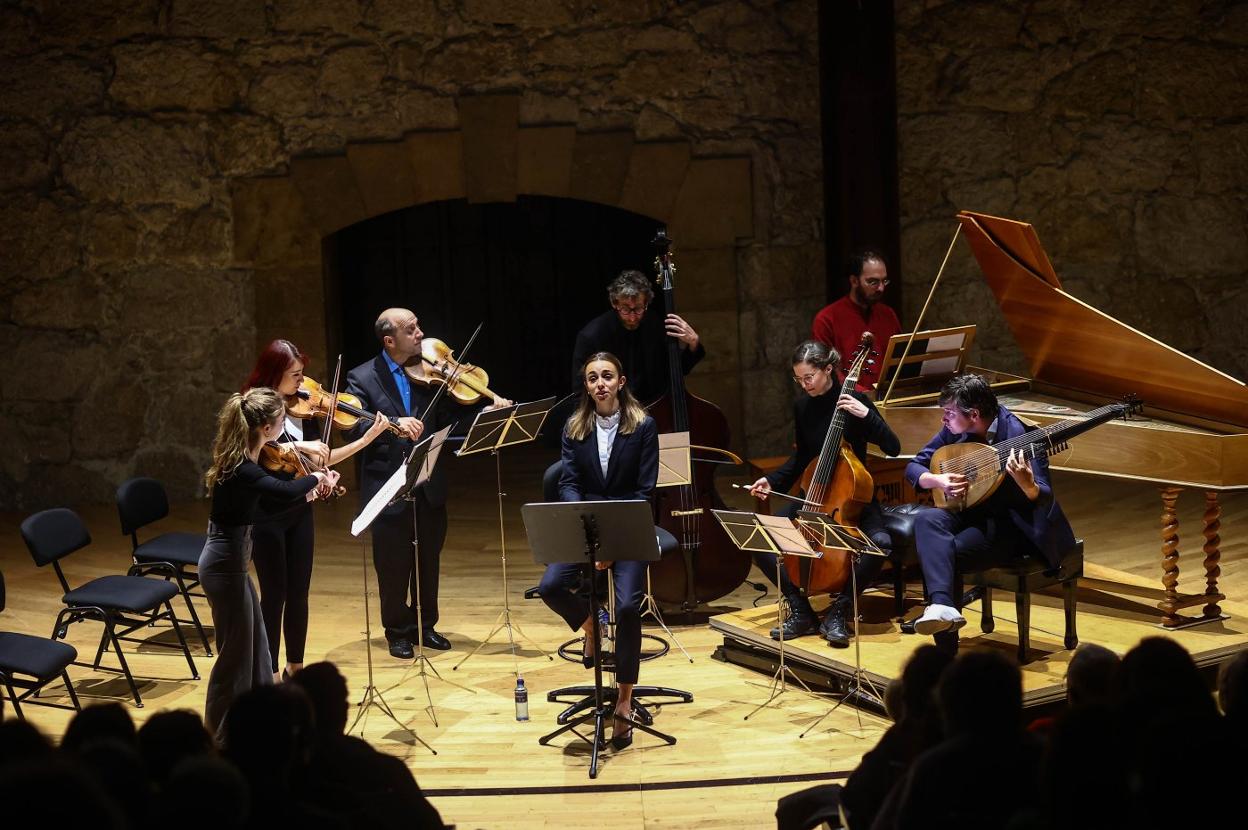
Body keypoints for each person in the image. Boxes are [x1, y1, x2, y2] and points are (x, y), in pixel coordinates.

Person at [345, 308, 509, 658]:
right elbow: (355, 425)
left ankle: (425, 625)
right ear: (390, 340)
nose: (420, 334)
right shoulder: (362, 377)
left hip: (428, 480)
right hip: (388, 484)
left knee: (427, 558)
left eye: (418, 325)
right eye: (410, 329)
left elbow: (451, 418)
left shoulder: (428, 372)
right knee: (392, 562)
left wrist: (485, 413)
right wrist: (392, 422)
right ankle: (397, 630)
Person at [243, 339, 389, 682]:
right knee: (274, 594)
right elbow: (262, 453)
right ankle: (269, 672)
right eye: (295, 375)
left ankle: (296, 667)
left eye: (302, 373)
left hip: (298, 510)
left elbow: (315, 459)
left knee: (298, 592)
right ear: (275, 374)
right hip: (267, 514)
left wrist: (365, 441)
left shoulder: (302, 407)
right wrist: (303, 456)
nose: (301, 382)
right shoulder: (252, 409)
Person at [199, 388, 338, 736]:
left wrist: (310, 488)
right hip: (223, 565)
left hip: (233, 561)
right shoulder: (242, 467)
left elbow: (277, 498)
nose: (285, 425)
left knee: (259, 647)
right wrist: (317, 478)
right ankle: (218, 732)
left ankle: (260, 721)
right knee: (234, 654)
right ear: (265, 426)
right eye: (281, 420)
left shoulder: (252, 455)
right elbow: (282, 490)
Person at [538, 351, 659, 750]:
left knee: (627, 608)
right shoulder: (574, 427)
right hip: (586, 525)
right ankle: (592, 623)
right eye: (592, 378)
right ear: (587, 386)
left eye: (607, 376)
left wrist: (613, 541)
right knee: (551, 586)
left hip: (627, 525)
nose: (600, 383)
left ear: (620, 382)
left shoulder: (644, 426)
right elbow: (568, 483)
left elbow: (644, 490)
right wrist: (589, 530)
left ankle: (624, 701)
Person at [904, 373, 1075, 648]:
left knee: (945, 554)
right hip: (970, 511)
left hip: (1010, 523)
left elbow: (1043, 495)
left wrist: (1026, 483)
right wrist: (937, 480)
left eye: (948, 413)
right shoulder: (954, 428)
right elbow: (914, 467)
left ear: (973, 414)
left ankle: (945, 643)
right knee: (927, 518)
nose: (943, 420)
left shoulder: (1022, 435)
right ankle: (941, 608)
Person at [747, 340, 900, 646]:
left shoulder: (856, 402)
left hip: (851, 500)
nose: (804, 385)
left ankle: (839, 610)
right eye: (799, 379)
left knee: (879, 543)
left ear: (828, 369)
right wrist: (771, 482)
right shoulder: (804, 406)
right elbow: (802, 458)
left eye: (809, 378)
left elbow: (893, 448)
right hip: (814, 497)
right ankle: (801, 610)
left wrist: (865, 415)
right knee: (759, 536)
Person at [570, 269, 704, 404]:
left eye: (639, 308)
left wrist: (693, 343)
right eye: (626, 309)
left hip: (654, 409)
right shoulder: (591, 336)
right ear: (614, 303)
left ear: (646, 303)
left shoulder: (654, 325)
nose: (633, 317)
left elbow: (677, 368)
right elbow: (580, 392)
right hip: (612, 414)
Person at [810, 249, 901, 393]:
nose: (881, 288)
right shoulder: (826, 319)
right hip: (847, 401)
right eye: (873, 282)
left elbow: (899, 360)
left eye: (884, 281)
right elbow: (826, 371)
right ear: (854, 281)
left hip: (885, 399)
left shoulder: (888, 314)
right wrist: (863, 395)